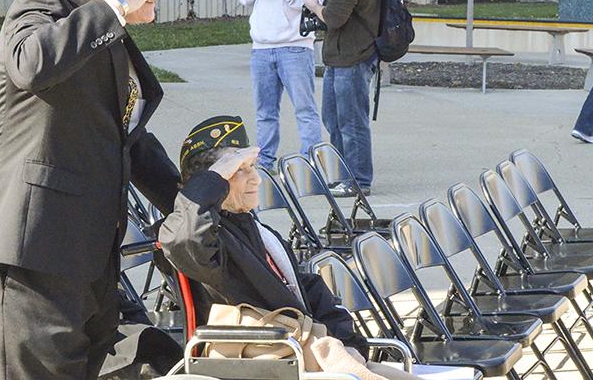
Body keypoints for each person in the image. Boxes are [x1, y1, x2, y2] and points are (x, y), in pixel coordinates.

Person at [0, 0, 181, 379]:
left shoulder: (107, 35)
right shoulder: (43, 4)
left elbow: (129, 140)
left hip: (89, 260)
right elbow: (30, 64)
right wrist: (110, 7)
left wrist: (193, 200)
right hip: (33, 255)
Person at [158, 115, 422, 380]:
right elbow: (185, 241)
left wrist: (348, 343)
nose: (256, 179)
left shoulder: (250, 227)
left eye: (253, 167)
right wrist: (212, 180)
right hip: (268, 359)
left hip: (309, 351)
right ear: (211, 181)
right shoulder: (206, 238)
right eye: (240, 170)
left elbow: (305, 290)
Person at [236, 0, 329, 173]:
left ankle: (311, 162)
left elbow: (315, 0)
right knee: (265, 111)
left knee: (305, 109)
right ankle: (265, 161)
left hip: (296, 47)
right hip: (262, 48)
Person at [304, 0, 381, 197]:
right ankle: (343, 176)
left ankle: (359, 180)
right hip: (343, 56)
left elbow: (334, 18)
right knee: (335, 120)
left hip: (353, 57)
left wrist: (313, 6)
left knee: (351, 122)